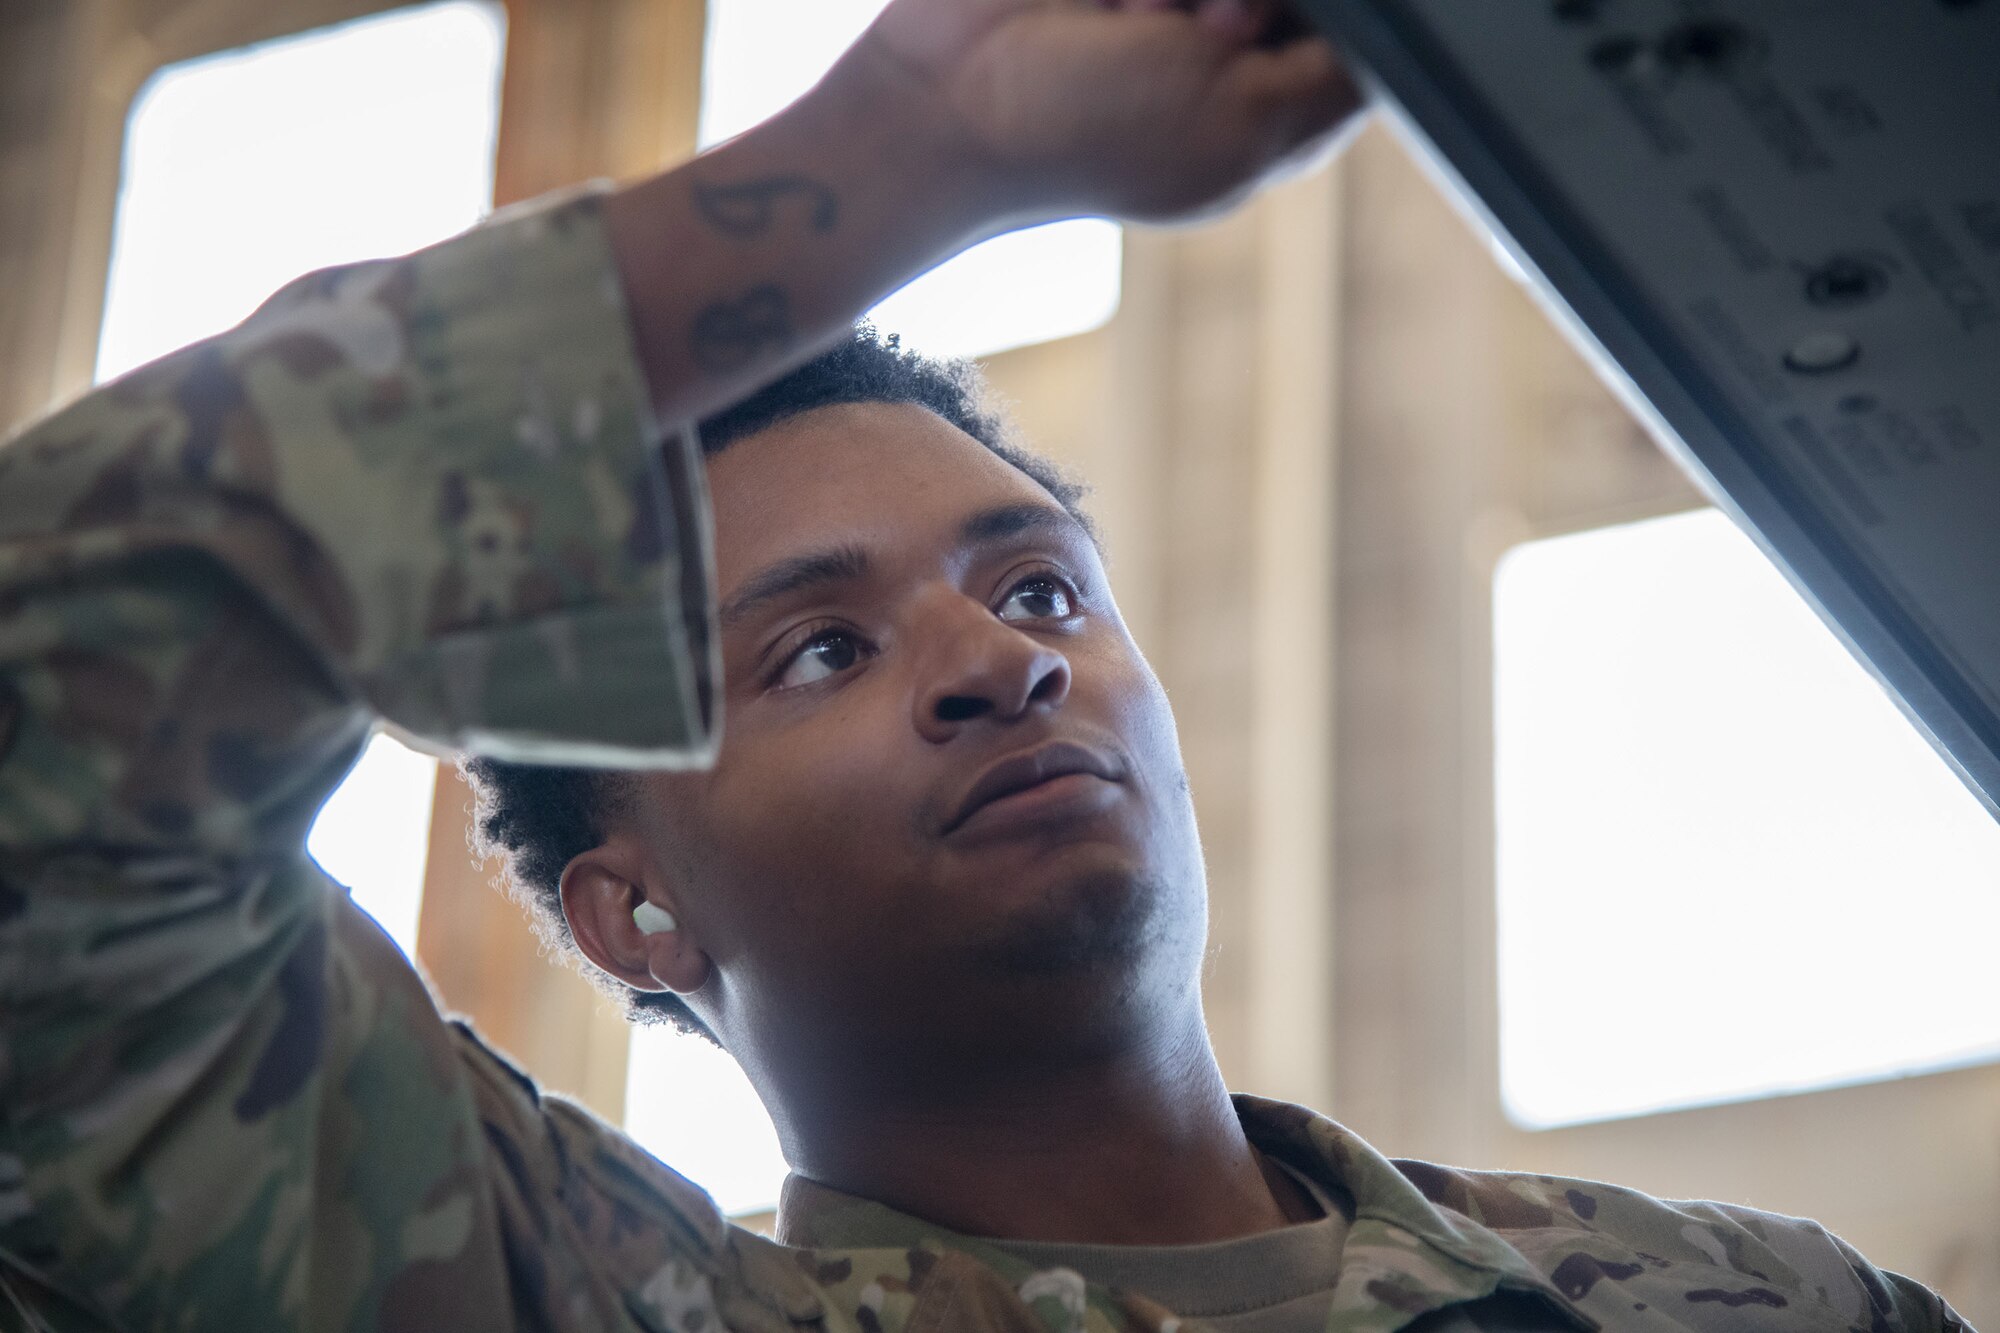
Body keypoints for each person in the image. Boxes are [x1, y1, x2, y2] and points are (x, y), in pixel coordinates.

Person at [0, 1, 1965, 1330]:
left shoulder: (1741, 1302)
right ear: (631, 914)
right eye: (820, 648)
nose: (995, 667)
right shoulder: (548, 1290)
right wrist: (916, 148)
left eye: (1037, 594)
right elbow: (50, 681)